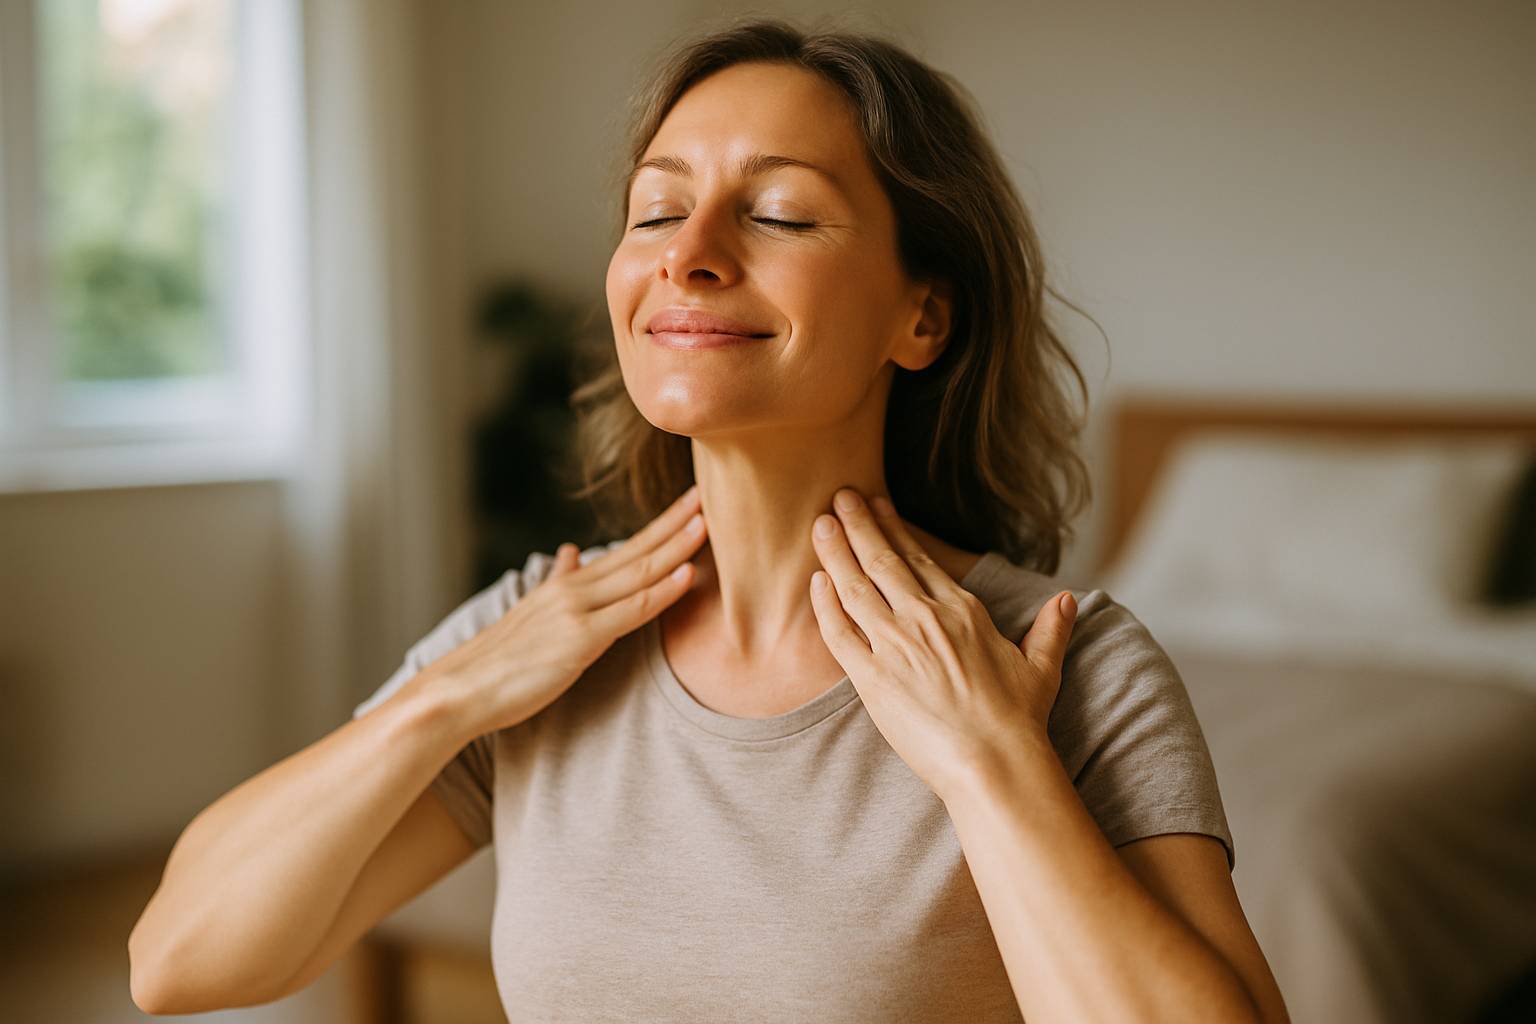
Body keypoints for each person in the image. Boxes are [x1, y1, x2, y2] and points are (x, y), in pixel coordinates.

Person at [129, 16, 1290, 1022]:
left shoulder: (1065, 667)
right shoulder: (546, 632)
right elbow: (178, 963)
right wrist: (451, 696)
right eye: (655, 212)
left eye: (780, 214)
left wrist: (992, 763)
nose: (688, 255)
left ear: (921, 316)